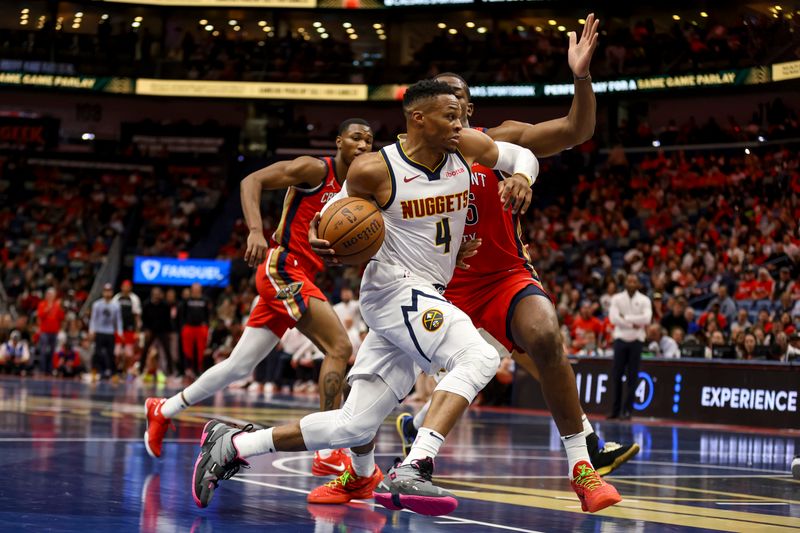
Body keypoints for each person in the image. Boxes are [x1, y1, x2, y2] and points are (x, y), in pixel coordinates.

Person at [191, 80, 619, 516]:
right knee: (478, 357)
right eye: (450, 115)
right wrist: (325, 238)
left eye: (461, 115)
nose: (460, 123)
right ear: (419, 118)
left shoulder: (465, 147)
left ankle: (235, 443)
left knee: (353, 423)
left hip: (428, 289)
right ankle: (415, 466)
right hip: (392, 286)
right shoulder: (374, 169)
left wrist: (524, 178)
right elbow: (330, 217)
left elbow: (521, 155)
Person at [393, 13, 635, 494]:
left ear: (468, 106)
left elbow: (576, 130)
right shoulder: (401, 162)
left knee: (544, 338)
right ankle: (379, 449)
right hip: (440, 283)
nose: (455, 104)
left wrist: (581, 77)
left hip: (503, 276)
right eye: (445, 98)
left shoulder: (497, 140)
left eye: (460, 96)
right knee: (393, 381)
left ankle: (583, 464)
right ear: (423, 112)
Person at [144, 119, 374, 476]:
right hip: (283, 267)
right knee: (340, 349)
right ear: (339, 140)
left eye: (370, 141)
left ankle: (163, 409)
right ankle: (330, 451)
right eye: (356, 138)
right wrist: (255, 230)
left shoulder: (360, 190)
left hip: (301, 275)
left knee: (238, 367)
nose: (363, 145)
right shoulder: (315, 169)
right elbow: (251, 180)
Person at [608, 273, 652, 420]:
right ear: (625, 283)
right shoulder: (617, 298)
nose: (632, 283)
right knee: (617, 376)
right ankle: (615, 410)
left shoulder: (644, 300)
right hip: (620, 339)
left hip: (637, 341)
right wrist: (634, 324)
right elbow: (613, 318)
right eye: (629, 280)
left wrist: (625, 318)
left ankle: (627, 411)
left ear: (638, 284)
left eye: (634, 281)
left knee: (632, 377)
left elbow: (647, 318)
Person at [89, 283, 123, 380]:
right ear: (103, 292)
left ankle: (113, 373)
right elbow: (93, 319)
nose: (107, 293)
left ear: (111, 292)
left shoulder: (116, 305)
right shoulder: (97, 304)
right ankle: (95, 371)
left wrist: (119, 332)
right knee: (97, 353)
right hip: (99, 331)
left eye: (109, 291)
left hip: (110, 332)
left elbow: (119, 320)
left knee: (111, 354)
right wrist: (92, 330)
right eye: (106, 291)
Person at [139, 287, 174, 382]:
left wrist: (169, 332)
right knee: (145, 350)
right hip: (151, 330)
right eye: (155, 294)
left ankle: (170, 372)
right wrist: (145, 330)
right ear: (152, 294)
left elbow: (168, 320)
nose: (156, 295)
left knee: (167, 351)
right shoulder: (146, 304)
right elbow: (143, 319)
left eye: (158, 294)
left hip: (162, 331)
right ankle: (140, 371)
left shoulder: (165, 305)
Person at [178, 283, 212, 377]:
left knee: (200, 349)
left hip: (200, 328)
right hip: (189, 327)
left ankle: (199, 369)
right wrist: (183, 326)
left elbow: (208, 314)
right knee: (187, 349)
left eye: (198, 289)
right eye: (194, 289)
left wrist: (206, 325)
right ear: (192, 290)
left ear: (200, 290)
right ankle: (188, 369)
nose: (196, 291)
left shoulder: (205, 300)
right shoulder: (187, 301)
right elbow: (182, 314)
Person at [113, 280, 142, 374]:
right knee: (117, 353)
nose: (125, 288)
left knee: (128, 354)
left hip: (130, 330)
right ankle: (117, 370)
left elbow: (137, 316)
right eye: (124, 286)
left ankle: (128, 370)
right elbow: (112, 314)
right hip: (118, 329)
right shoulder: (117, 297)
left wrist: (137, 331)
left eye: (127, 286)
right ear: (121, 287)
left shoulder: (134, 298)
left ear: (130, 288)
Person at [36, 287, 64, 375]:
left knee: (52, 352)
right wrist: (48, 308)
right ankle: (42, 370)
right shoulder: (42, 304)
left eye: (52, 294)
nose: (50, 296)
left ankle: (50, 370)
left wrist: (60, 308)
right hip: (44, 331)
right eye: (49, 294)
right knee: (43, 351)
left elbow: (61, 317)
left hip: (54, 331)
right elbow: (40, 315)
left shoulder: (57, 305)